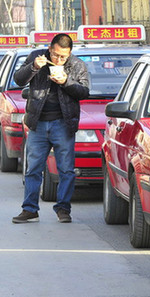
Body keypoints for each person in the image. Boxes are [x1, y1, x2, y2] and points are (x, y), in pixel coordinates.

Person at [12, 33, 89, 224]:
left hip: (63, 123)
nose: (59, 60)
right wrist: (34, 67)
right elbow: (18, 79)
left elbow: (84, 92)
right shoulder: (36, 57)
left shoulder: (77, 65)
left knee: (66, 169)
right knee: (33, 168)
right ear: (50, 49)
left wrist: (66, 82)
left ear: (69, 53)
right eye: (55, 55)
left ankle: (63, 208)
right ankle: (29, 209)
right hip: (38, 122)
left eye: (63, 57)